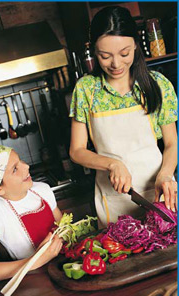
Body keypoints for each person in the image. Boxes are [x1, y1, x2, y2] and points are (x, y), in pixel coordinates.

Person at [69, 6, 177, 228]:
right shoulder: (86, 89)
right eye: (105, 56)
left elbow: (172, 143)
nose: (116, 64)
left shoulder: (158, 84)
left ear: (136, 45)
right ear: (94, 51)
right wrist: (111, 164)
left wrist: (166, 174)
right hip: (113, 201)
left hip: (160, 196)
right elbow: (76, 151)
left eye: (124, 53)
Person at [0, 142, 63, 284]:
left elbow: (65, 230)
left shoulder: (43, 189)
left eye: (21, 160)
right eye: (14, 169)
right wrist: (35, 260)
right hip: (34, 281)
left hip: (64, 267)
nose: (26, 166)